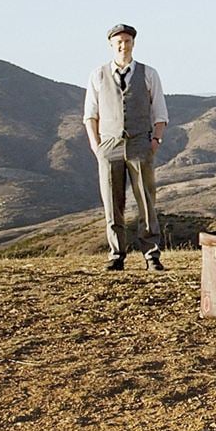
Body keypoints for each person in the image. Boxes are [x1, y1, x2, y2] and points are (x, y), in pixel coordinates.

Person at [83, 23, 169, 271]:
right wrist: (96, 145)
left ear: (133, 43)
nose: (123, 46)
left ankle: (151, 255)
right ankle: (116, 255)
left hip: (140, 142)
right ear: (111, 45)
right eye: (118, 42)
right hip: (108, 145)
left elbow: (160, 113)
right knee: (112, 202)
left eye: (127, 41)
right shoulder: (98, 75)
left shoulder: (149, 73)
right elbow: (90, 114)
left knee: (146, 199)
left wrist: (155, 141)